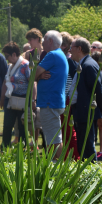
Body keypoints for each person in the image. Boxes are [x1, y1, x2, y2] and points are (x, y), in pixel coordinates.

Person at [69, 37, 102, 162]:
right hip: (82, 111)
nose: (69, 51)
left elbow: (98, 89)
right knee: (83, 145)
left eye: (71, 48)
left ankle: (90, 172)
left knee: (87, 145)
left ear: (79, 48)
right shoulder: (83, 64)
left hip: (86, 112)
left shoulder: (88, 65)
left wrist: (101, 107)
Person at [35, 30, 68, 160]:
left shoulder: (52, 55)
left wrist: (37, 75)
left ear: (50, 41)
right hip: (53, 101)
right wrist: (39, 76)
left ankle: (57, 167)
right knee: (53, 137)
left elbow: (32, 74)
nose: (42, 43)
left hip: (49, 102)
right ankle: (55, 164)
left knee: (53, 139)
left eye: (44, 40)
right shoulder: (59, 54)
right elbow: (36, 75)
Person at [0, 42, 36, 149]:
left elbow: (32, 83)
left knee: (22, 127)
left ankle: (22, 150)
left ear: (14, 54)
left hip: (23, 101)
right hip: (10, 100)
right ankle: (4, 148)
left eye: (7, 56)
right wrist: (2, 99)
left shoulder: (26, 65)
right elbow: (5, 83)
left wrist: (33, 100)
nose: (6, 59)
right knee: (7, 126)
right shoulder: (9, 66)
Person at [60, 31, 79, 160]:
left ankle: (74, 156)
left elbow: (72, 82)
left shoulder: (70, 61)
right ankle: (66, 155)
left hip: (66, 99)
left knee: (67, 129)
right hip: (62, 98)